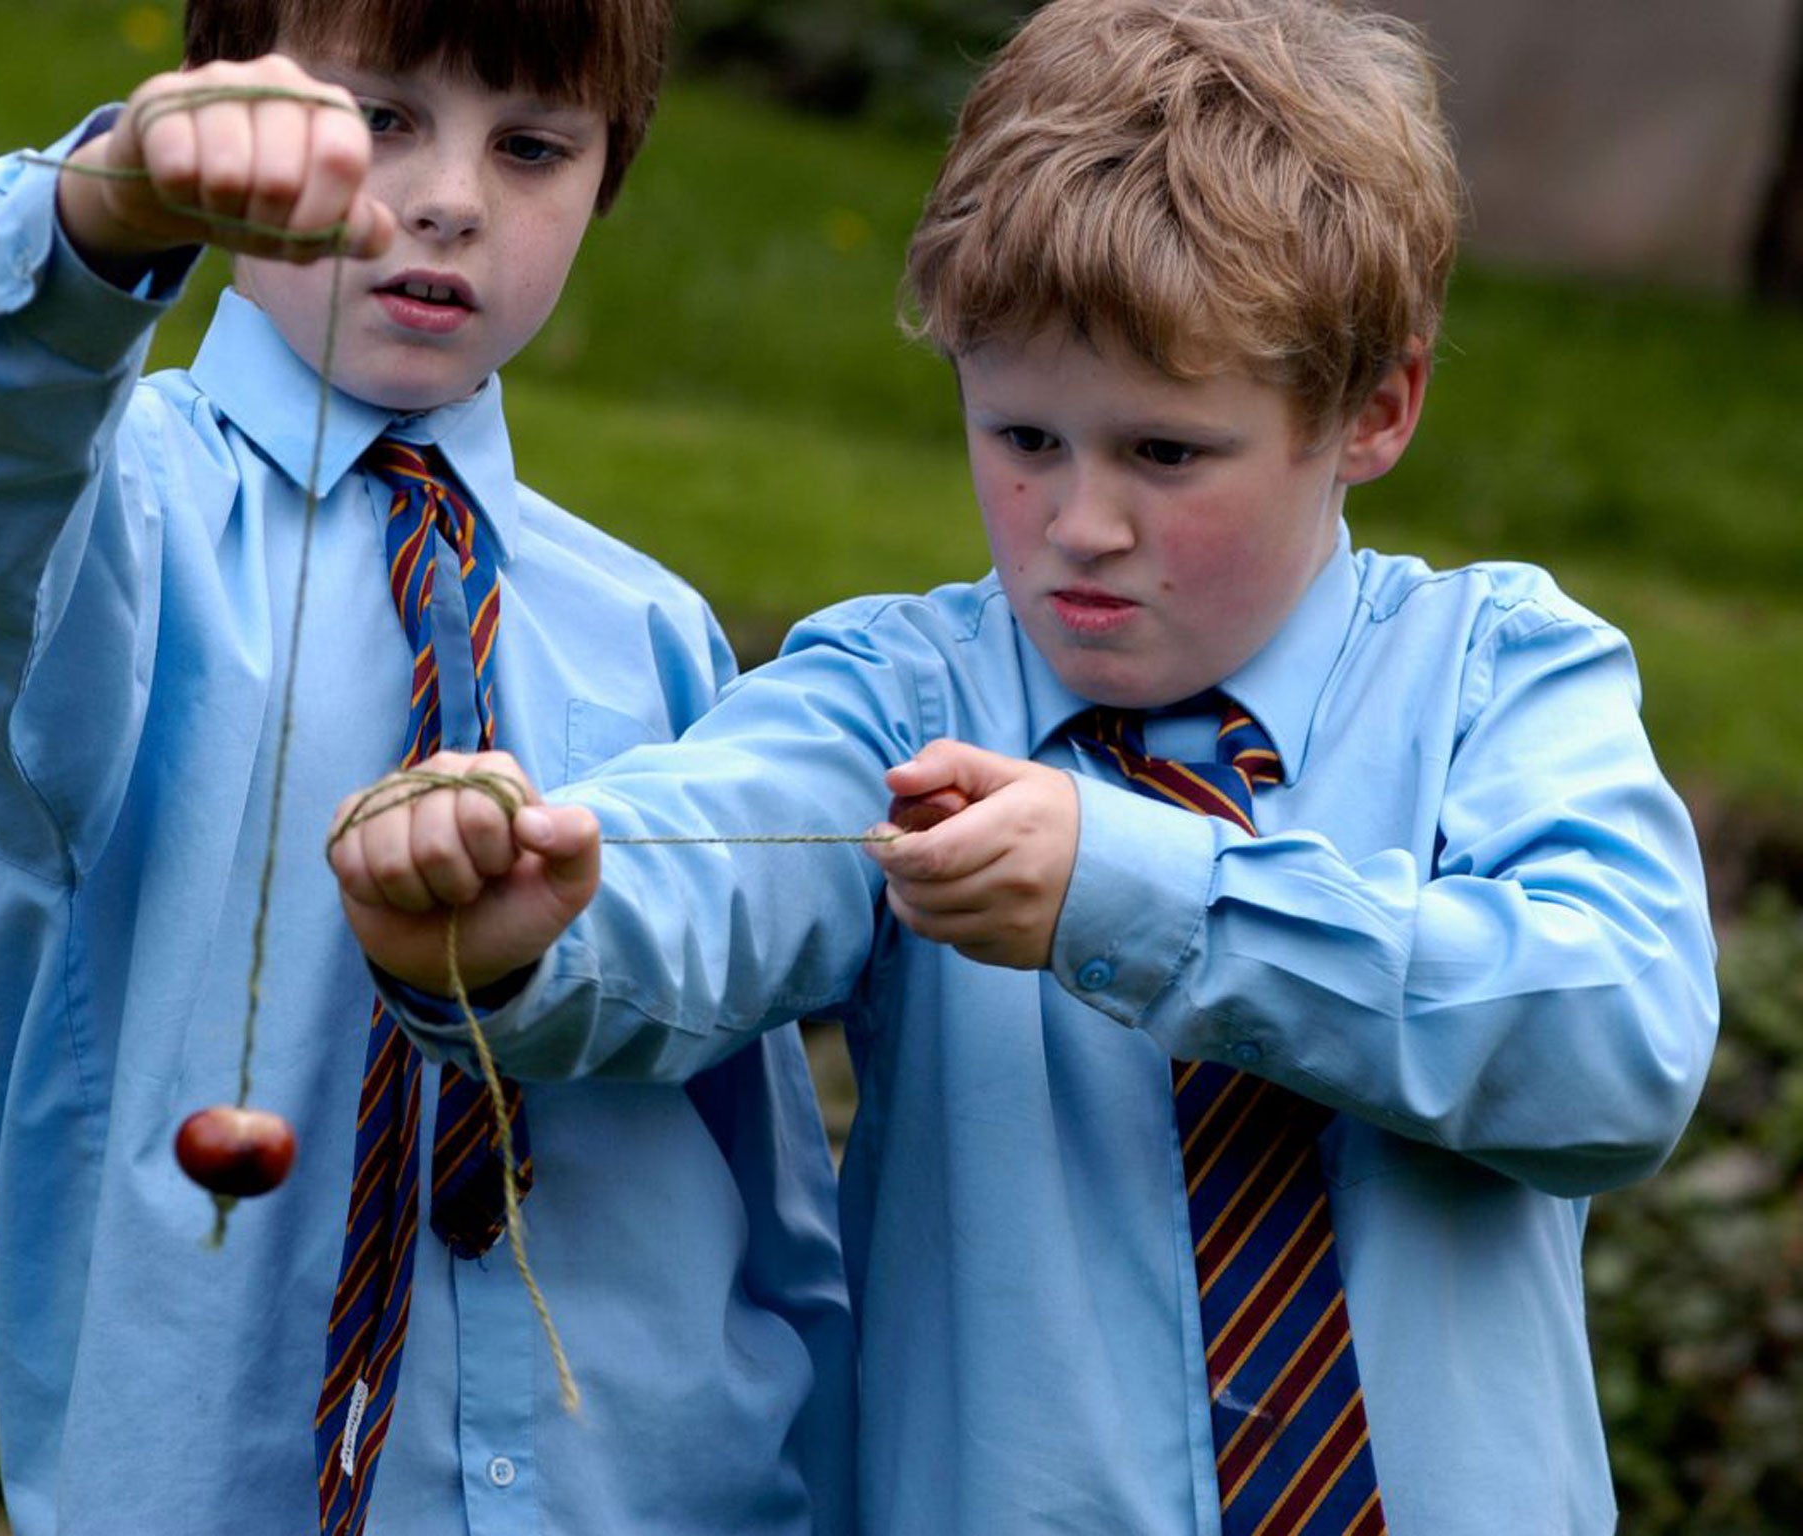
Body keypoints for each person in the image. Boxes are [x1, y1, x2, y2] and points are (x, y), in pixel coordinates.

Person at [328, 1, 1722, 1532]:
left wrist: (1136, 889)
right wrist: (525, 924)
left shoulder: (1499, 677)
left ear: (1375, 408)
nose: (1082, 524)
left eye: (1166, 453)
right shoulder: (897, 698)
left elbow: (1614, 1044)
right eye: (1023, 437)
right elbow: (705, 857)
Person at [0, 2, 854, 1533]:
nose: (451, 195)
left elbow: (761, 1157)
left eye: (533, 147)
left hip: (653, 1490)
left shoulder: (652, 632)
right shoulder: (110, 532)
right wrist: (108, 207)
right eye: (380, 118)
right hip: (215, 1474)